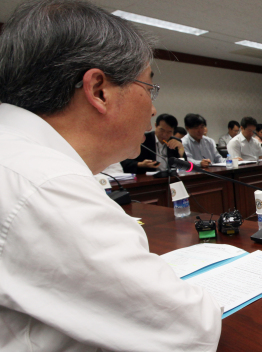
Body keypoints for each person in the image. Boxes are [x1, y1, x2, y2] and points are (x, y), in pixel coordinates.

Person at [0, 1, 222, 350]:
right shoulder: (45, 184)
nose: (152, 108)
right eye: (149, 88)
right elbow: (190, 330)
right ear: (99, 90)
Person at [121, 113, 185, 174]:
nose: (164, 134)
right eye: (162, 130)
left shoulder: (176, 142)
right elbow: (125, 162)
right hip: (148, 180)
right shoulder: (142, 140)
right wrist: (140, 164)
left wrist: (181, 150)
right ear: (155, 125)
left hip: (171, 179)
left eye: (169, 132)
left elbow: (185, 167)